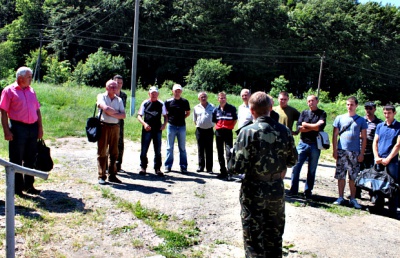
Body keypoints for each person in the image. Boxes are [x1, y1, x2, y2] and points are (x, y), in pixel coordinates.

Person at [230, 91, 297, 257]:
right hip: (275, 188)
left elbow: (237, 167)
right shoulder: (284, 131)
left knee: (253, 237)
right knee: (274, 235)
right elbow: (292, 160)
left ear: (252, 110)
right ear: (271, 108)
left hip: (253, 189)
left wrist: (230, 157)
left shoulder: (247, 132)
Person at [0, 67, 44, 196]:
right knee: (16, 158)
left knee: (31, 157)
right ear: (20, 78)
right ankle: (17, 188)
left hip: (33, 127)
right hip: (18, 127)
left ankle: (29, 185)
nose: (31, 79)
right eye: (29, 77)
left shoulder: (31, 91)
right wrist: (6, 131)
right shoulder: (9, 91)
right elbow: (3, 112)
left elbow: (37, 110)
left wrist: (40, 127)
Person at [288, 95, 327, 199]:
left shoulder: (322, 113)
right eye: (309, 101)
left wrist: (307, 125)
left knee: (312, 169)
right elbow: (300, 128)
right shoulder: (304, 113)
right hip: (303, 143)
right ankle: (293, 190)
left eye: (313, 100)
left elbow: (319, 127)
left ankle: (308, 191)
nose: (311, 102)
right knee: (296, 167)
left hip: (315, 145)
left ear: (317, 101)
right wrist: (313, 126)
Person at [332, 96, 367, 209]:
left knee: (353, 176)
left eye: (351, 105)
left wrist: (361, 153)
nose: (349, 107)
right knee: (341, 175)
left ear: (356, 105)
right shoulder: (340, 118)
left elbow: (364, 138)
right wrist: (334, 150)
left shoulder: (361, 120)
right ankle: (340, 197)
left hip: (355, 152)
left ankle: (352, 198)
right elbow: (335, 135)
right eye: (347, 104)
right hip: (342, 151)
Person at [372, 105, 400, 217]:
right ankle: (378, 207)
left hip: (392, 161)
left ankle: (392, 210)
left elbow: (398, 144)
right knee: (378, 183)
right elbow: (375, 141)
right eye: (385, 113)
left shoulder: (398, 126)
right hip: (379, 159)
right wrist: (376, 156)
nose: (387, 115)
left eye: (389, 113)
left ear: (394, 113)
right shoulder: (380, 126)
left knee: (393, 185)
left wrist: (389, 158)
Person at [96, 79, 126, 184]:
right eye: (111, 86)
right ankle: (101, 176)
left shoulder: (119, 100)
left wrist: (110, 112)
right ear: (106, 87)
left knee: (114, 152)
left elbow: (123, 115)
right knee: (102, 151)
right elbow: (104, 107)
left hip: (115, 127)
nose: (114, 88)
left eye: (115, 86)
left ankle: (113, 175)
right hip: (103, 126)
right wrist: (115, 113)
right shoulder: (101, 96)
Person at [137, 86, 167, 176]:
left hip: (157, 129)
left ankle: (157, 168)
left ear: (158, 94)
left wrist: (164, 125)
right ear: (149, 94)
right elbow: (139, 116)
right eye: (152, 93)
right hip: (147, 128)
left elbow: (165, 116)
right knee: (144, 149)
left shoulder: (161, 103)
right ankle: (143, 167)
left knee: (157, 149)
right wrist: (144, 124)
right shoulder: (145, 103)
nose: (154, 94)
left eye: (155, 93)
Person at [356, 101, 382, 198]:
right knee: (358, 173)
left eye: (370, 108)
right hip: (359, 150)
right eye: (366, 108)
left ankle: (372, 194)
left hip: (371, 152)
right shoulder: (360, 120)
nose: (368, 110)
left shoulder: (379, 123)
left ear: (374, 109)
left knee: (372, 174)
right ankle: (356, 193)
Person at [164, 84, 191, 173]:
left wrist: (182, 118)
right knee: (169, 147)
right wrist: (168, 120)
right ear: (172, 91)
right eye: (176, 91)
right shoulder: (168, 102)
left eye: (179, 91)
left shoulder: (185, 101)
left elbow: (188, 113)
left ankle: (183, 166)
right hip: (171, 126)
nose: (177, 92)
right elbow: (165, 113)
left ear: (181, 92)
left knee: (182, 147)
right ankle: (168, 166)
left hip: (182, 127)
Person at [212, 91, 237, 179]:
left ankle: (230, 171)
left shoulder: (232, 108)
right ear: (218, 99)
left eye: (224, 98)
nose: (222, 100)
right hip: (219, 132)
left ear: (226, 99)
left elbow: (235, 119)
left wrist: (231, 126)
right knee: (220, 152)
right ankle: (223, 171)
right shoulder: (215, 110)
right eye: (221, 98)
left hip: (228, 132)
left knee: (229, 152)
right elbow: (214, 121)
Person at [193, 92, 215, 173]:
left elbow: (215, 117)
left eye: (205, 96)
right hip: (199, 130)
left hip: (209, 130)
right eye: (201, 97)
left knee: (209, 149)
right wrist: (199, 125)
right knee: (200, 149)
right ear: (199, 98)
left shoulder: (212, 106)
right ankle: (201, 166)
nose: (203, 98)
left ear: (207, 97)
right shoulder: (196, 107)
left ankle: (209, 168)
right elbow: (194, 120)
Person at [113, 75, 127, 172]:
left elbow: (122, 110)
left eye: (121, 83)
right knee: (108, 144)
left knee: (120, 143)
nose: (119, 85)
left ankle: (118, 165)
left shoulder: (123, 95)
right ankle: (107, 165)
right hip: (108, 122)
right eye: (117, 82)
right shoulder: (109, 93)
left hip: (119, 122)